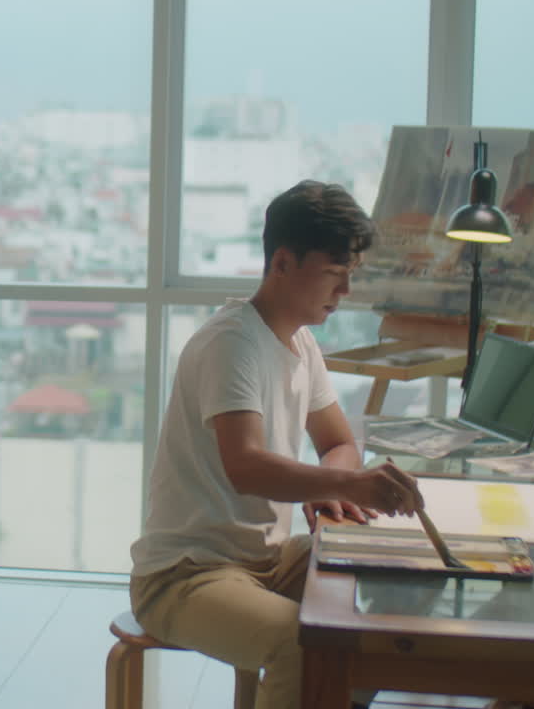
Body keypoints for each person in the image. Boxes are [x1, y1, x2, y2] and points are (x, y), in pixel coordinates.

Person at [128, 179, 425, 709]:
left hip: (265, 560)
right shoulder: (232, 343)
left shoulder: (301, 342)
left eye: (351, 273)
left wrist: (330, 484)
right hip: (186, 574)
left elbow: (337, 441)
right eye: (334, 273)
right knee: (301, 644)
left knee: (380, 610)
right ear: (283, 262)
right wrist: (347, 483)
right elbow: (246, 466)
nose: (345, 291)